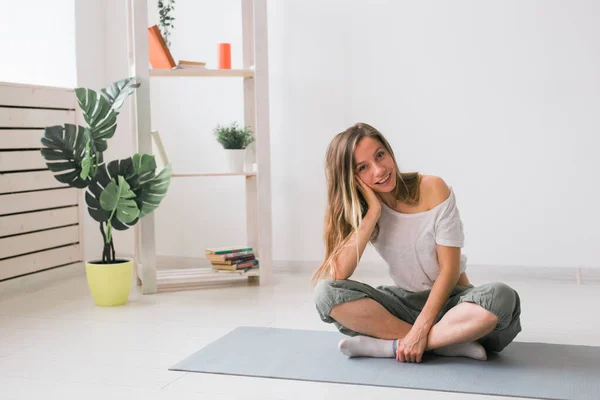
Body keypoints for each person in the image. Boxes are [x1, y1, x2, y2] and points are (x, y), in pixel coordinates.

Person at [312, 123, 522, 363]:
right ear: (352, 178)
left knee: (503, 297)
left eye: (380, 155)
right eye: (363, 167)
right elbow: (339, 273)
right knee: (325, 294)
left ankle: (390, 346)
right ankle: (447, 343)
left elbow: (450, 270)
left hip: (454, 303)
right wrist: (373, 213)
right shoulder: (363, 211)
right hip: (405, 306)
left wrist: (421, 329)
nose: (379, 170)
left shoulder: (433, 188)